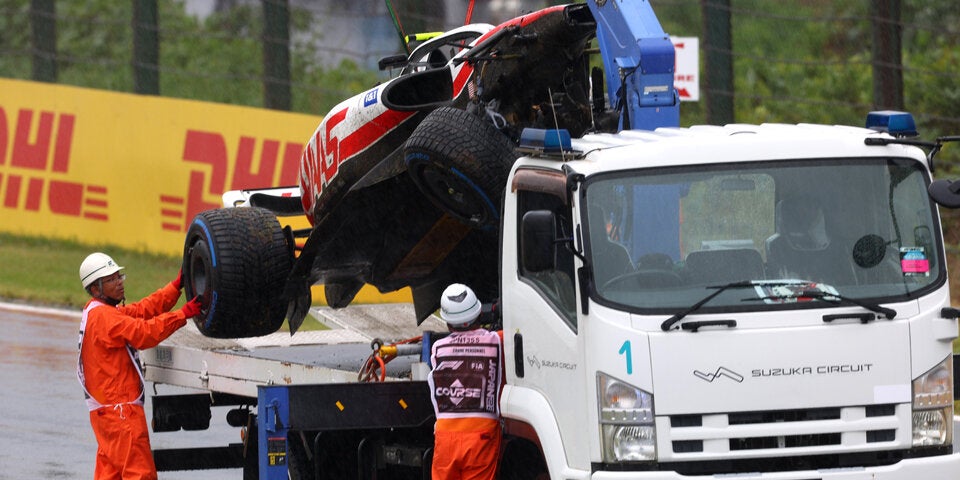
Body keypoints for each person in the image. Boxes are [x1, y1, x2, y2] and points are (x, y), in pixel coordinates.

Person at [76, 252, 201, 480]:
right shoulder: (105, 317)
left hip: (105, 415)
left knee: (109, 475)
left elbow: (142, 310)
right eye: (112, 280)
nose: (120, 283)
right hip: (121, 414)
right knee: (140, 475)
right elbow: (144, 334)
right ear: (96, 289)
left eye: (119, 276)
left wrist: (175, 287)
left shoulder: (97, 311)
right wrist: (183, 314)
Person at [428, 283, 504, 480]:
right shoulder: (496, 341)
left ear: (447, 323)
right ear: (479, 314)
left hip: (445, 437)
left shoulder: (437, 348)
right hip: (481, 434)